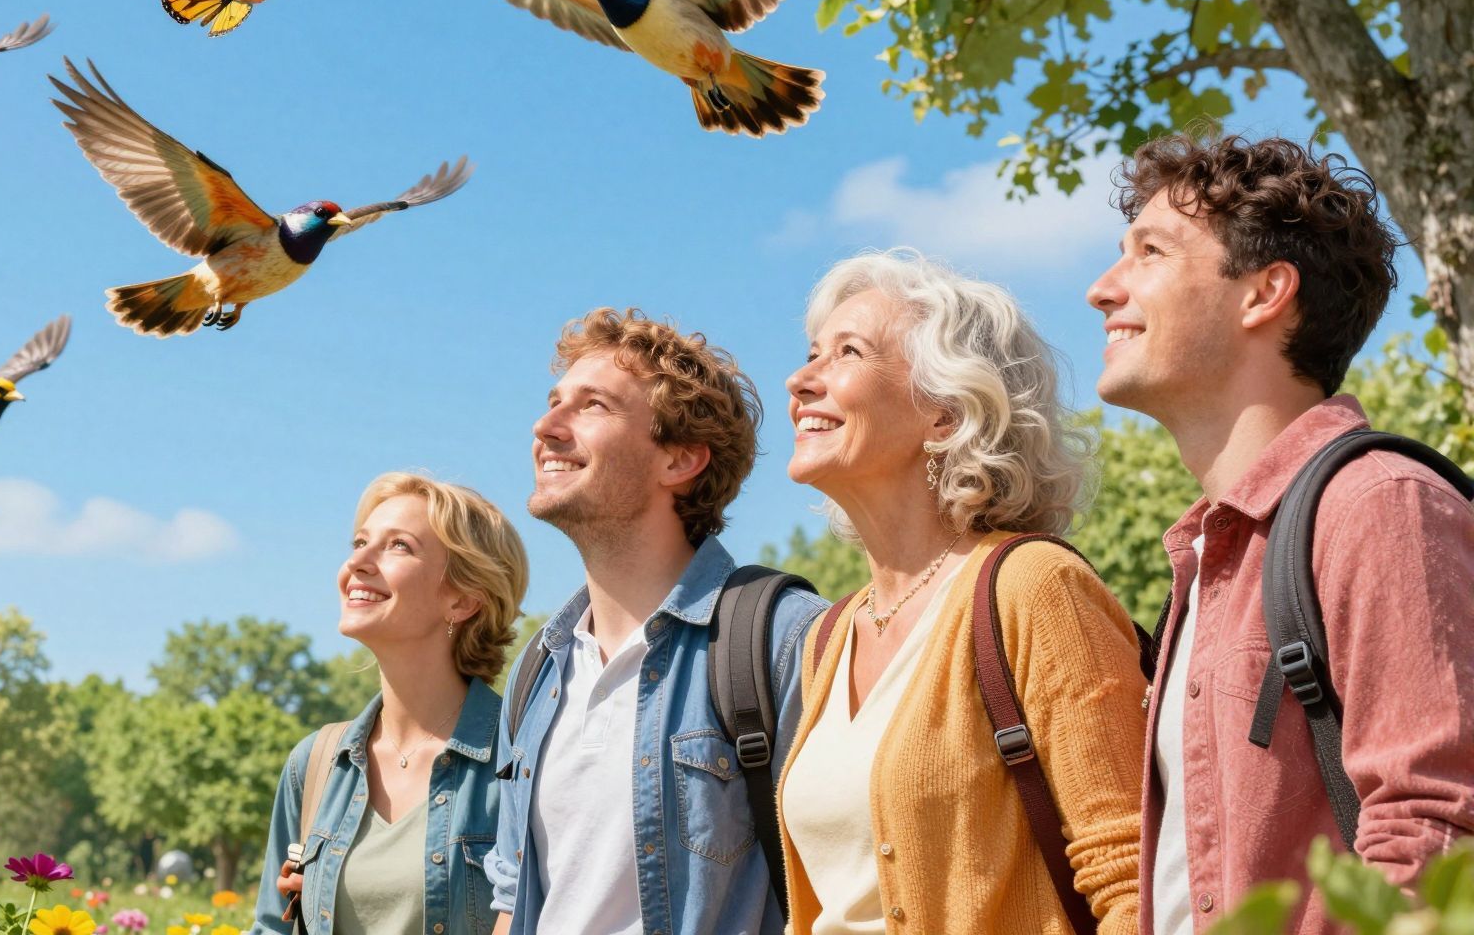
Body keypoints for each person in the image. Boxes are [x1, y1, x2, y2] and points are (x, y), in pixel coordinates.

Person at [1087, 134, 1474, 933]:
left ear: (1265, 293)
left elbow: (1437, 835)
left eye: (1149, 252)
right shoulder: (1206, 563)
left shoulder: (1378, 506)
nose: (1101, 289)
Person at [775, 249, 1145, 934]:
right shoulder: (829, 636)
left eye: (847, 353)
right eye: (811, 354)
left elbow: (1129, 877)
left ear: (944, 414)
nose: (800, 380)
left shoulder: (1035, 587)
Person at [486, 308, 828, 935]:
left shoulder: (784, 639)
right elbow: (512, 900)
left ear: (680, 461)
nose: (545, 427)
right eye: (554, 401)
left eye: (592, 406)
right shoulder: (537, 672)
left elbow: (851, 879)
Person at [253, 472, 530, 935]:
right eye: (359, 542)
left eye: (398, 545)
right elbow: (270, 928)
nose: (357, 561)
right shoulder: (316, 764)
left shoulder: (521, 758)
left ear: (463, 599)